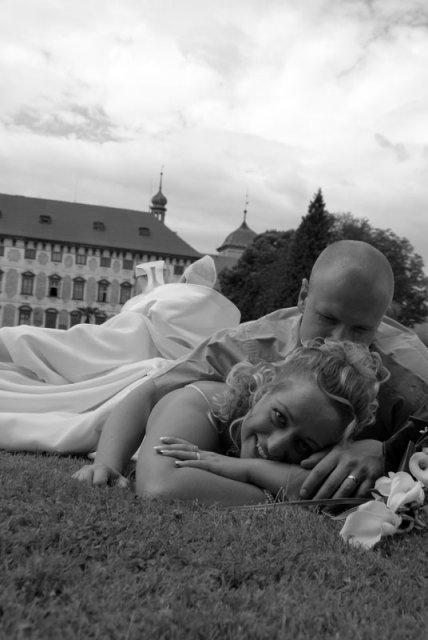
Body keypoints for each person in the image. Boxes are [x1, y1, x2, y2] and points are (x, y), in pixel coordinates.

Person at [74, 240, 428, 499]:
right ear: (303, 297)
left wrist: (383, 450)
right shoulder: (245, 346)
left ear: (381, 321)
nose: (339, 339)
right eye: (327, 318)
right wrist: (108, 463)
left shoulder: (408, 377)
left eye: (361, 329)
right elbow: (150, 392)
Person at [74, 339, 389, 504]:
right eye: (279, 417)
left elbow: (315, 489)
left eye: (303, 445)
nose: (276, 445)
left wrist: (247, 469)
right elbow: (160, 487)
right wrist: (278, 489)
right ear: (264, 388)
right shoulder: (201, 405)